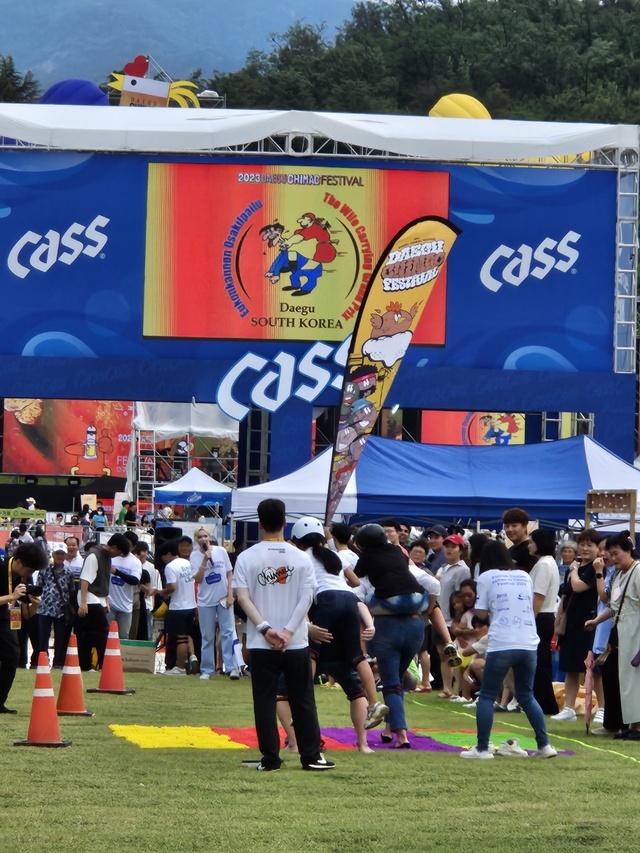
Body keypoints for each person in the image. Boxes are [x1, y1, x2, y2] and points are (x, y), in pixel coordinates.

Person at [232, 498, 334, 772]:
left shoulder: (247, 557)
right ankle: (311, 756)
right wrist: (288, 631)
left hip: (261, 642)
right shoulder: (301, 557)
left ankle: (270, 759)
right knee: (303, 699)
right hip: (296, 641)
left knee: (264, 701)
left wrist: (266, 628)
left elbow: (242, 598)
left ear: (259, 523)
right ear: (285, 523)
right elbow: (307, 598)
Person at [291, 516, 388, 742]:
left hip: (326, 600)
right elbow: (355, 582)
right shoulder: (333, 555)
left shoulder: (301, 557)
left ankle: (302, 702)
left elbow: (301, 595)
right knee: (357, 656)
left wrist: (308, 624)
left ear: (297, 541)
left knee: (312, 652)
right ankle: (374, 703)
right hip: (349, 600)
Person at [460, 552, 557, 759]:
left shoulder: (486, 577)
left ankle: (482, 748)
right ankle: (545, 745)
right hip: (528, 642)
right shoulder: (524, 576)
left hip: (502, 643)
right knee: (526, 695)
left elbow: (481, 614)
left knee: (486, 696)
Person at [354, 523, 427, 748]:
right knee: (398, 680)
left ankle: (402, 734)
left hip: (388, 625)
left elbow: (355, 579)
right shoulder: (397, 551)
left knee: (391, 683)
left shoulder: (367, 557)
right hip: (416, 618)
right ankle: (389, 728)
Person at [586, 533, 640, 740]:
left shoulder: (637, 571)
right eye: (611, 553)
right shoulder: (618, 575)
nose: (613, 557)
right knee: (624, 680)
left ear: (628, 551)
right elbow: (613, 605)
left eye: (616, 553)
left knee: (634, 680)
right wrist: (596, 621)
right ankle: (631, 725)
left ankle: (637, 726)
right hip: (621, 633)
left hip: (635, 632)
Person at [552, 528, 600, 722]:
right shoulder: (575, 568)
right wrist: (558, 620)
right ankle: (569, 708)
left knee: (594, 669)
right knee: (571, 668)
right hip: (571, 623)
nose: (585, 548)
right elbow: (565, 596)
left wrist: (573, 571)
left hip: (590, 623)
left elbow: (579, 586)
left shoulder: (596, 569)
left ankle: (601, 708)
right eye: (582, 544)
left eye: (590, 545)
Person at [0, 543, 48, 712]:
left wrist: (35, 604)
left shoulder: (24, 577)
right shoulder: (1, 567)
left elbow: (26, 614)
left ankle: (0, 701)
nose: (31, 573)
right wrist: (12, 596)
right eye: (30, 569)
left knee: (13, 654)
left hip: (4, 615)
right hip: (4, 609)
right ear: (19, 561)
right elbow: (11, 598)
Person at [191, 527, 239, 680]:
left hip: (223, 597)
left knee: (227, 632)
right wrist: (204, 561)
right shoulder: (194, 556)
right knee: (207, 636)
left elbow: (229, 573)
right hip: (205, 600)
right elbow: (198, 579)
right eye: (200, 537)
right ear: (196, 539)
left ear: (209, 537)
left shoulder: (221, 551)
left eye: (205, 536)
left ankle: (231, 667)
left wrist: (230, 595)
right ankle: (207, 669)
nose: (203, 539)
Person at [528, 528, 560, 715]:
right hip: (544, 616)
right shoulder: (547, 563)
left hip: (541, 616)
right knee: (540, 662)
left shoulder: (544, 564)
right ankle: (542, 702)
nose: (529, 545)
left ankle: (545, 703)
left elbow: (538, 596)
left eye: (532, 542)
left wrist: (529, 621)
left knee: (540, 663)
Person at [159, 540, 200, 676]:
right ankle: (192, 656)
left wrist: (163, 592)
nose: (163, 560)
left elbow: (172, 587)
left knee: (180, 638)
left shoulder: (170, 567)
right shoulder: (188, 564)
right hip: (191, 605)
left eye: (163, 557)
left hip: (178, 606)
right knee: (187, 634)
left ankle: (180, 667)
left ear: (168, 554)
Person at [36, 542, 75, 669]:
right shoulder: (44, 570)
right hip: (44, 609)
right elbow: (39, 587)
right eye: (57, 553)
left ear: (65, 555)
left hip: (61, 610)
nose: (59, 556)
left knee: (60, 638)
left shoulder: (69, 573)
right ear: (53, 554)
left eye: (62, 554)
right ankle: (43, 661)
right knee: (43, 638)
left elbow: (71, 590)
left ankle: (58, 663)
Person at [75, 538, 111, 672]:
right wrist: (83, 602)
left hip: (97, 599)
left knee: (91, 634)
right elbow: (84, 580)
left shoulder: (105, 557)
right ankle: (95, 664)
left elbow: (103, 582)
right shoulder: (94, 556)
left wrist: (106, 601)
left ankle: (92, 664)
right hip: (90, 600)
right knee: (97, 633)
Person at [106, 533, 142, 640]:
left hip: (125, 606)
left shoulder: (135, 562)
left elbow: (134, 580)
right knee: (106, 634)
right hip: (109, 603)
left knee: (123, 636)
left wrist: (117, 572)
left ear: (133, 547)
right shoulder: (112, 557)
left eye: (128, 544)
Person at [502, 508, 537, 572]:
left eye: (514, 526)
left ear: (524, 527)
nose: (510, 529)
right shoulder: (509, 550)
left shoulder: (530, 550)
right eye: (507, 526)